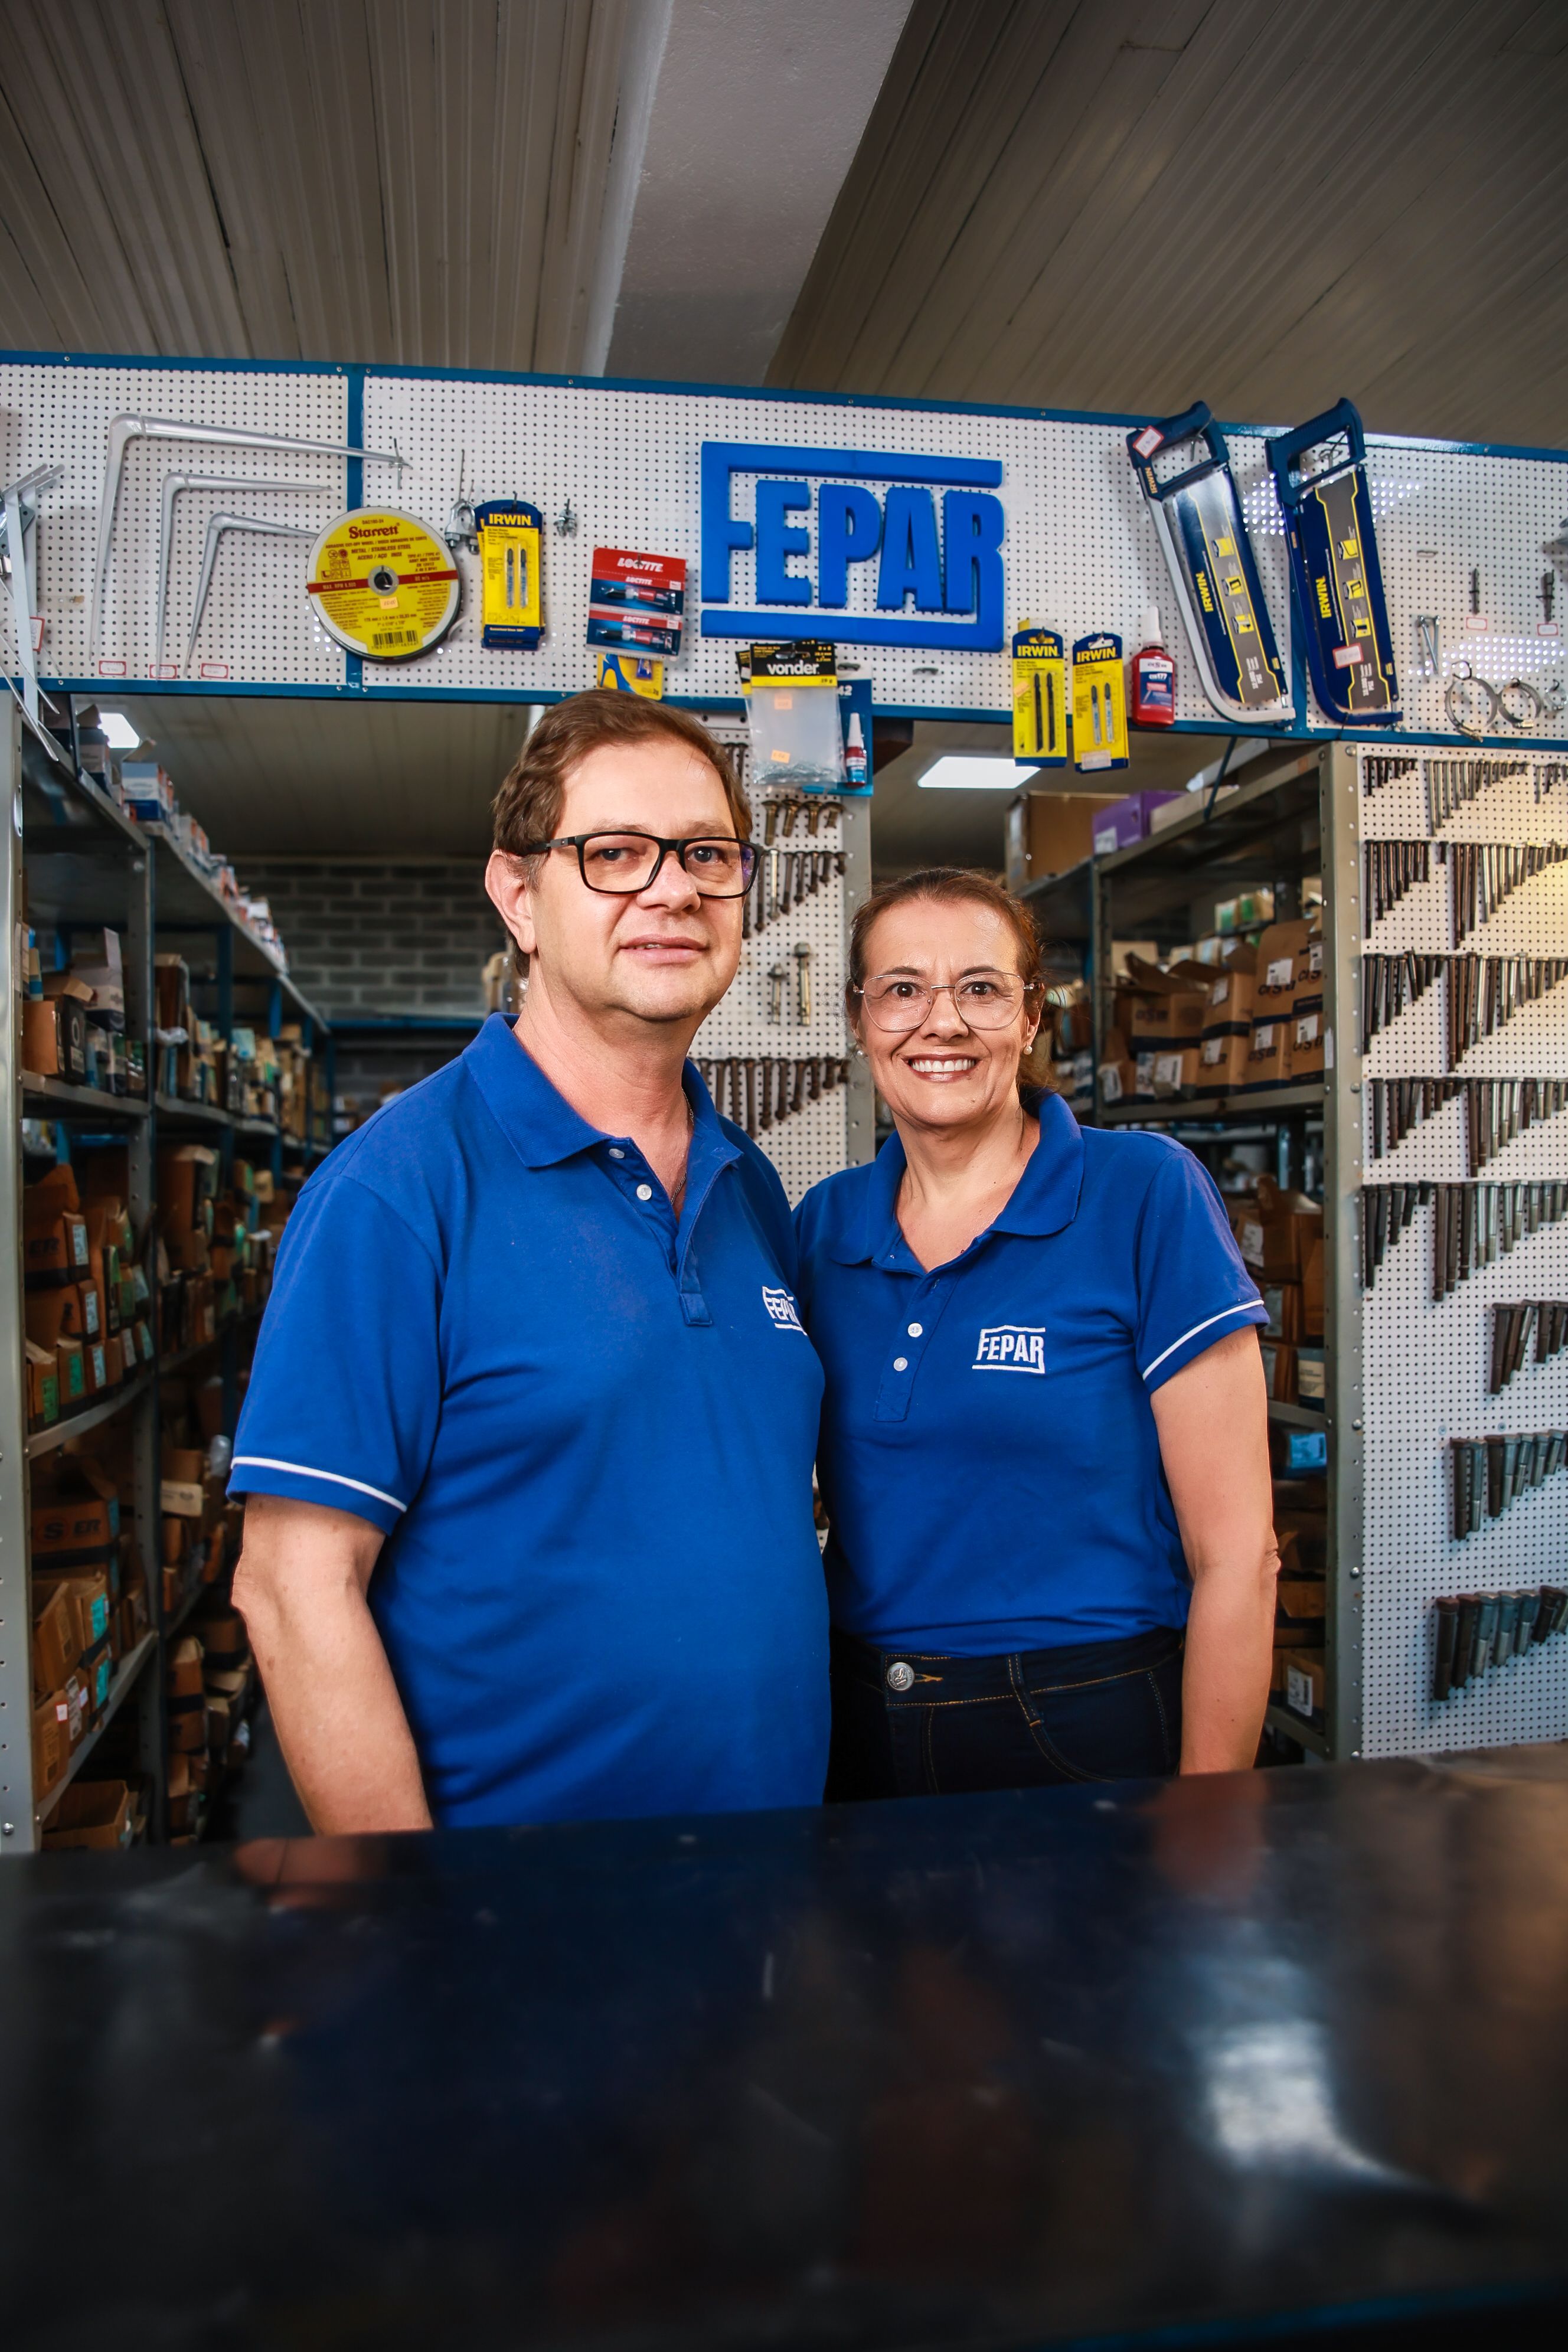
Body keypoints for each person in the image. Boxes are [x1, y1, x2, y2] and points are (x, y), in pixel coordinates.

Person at [230, 692, 829, 1833]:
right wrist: (411, 1908)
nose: (673, 890)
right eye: (616, 853)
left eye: (708, 855)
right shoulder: (396, 1193)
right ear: (518, 897)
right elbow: (293, 1587)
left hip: (772, 1876)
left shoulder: (749, 1185)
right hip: (516, 1902)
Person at [794, 867, 1277, 1799]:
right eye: (902, 990)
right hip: (855, 1715)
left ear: (1030, 1018)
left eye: (980, 989)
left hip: (1077, 1718)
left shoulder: (1144, 1193)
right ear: (860, 1021)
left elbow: (1239, 1557)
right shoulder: (824, 1226)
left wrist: (1211, 1810)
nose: (941, 1023)